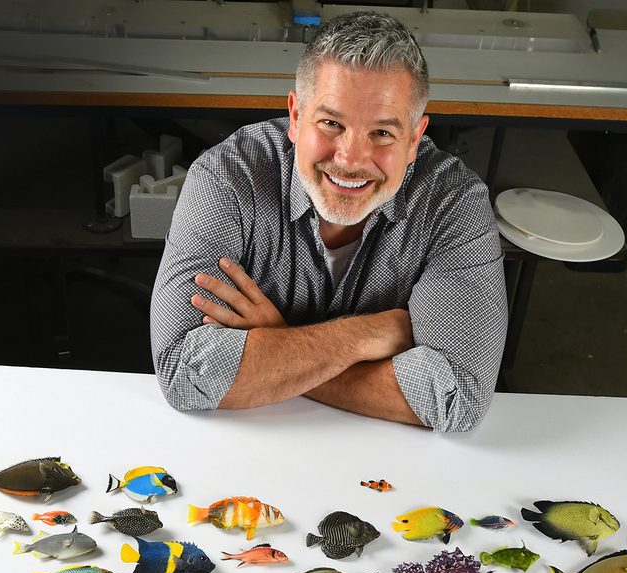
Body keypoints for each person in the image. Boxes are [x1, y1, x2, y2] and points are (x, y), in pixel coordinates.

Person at [150, 11, 507, 432]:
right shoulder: (228, 177)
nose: (351, 160)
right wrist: (365, 336)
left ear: (414, 139)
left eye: (382, 133)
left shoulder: (454, 203)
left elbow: (457, 400)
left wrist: (278, 345)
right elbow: (183, 375)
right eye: (331, 123)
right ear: (297, 116)